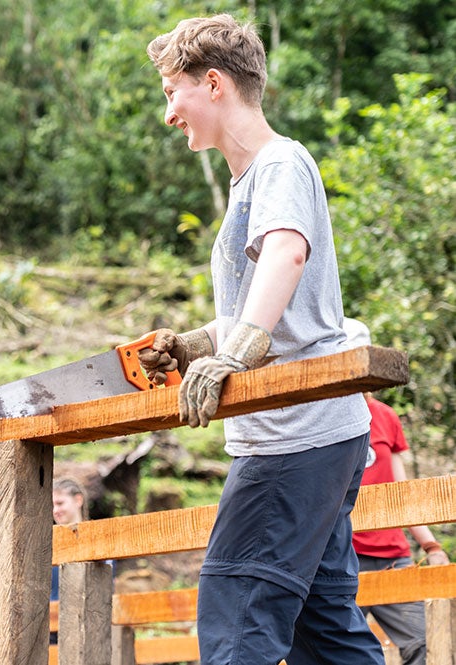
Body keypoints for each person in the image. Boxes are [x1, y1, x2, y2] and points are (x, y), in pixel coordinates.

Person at [137, 15, 383, 664]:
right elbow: (268, 307)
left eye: (171, 92)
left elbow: (285, 257)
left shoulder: (279, 161)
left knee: (236, 614)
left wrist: (231, 355)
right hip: (322, 436)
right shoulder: (253, 180)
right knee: (326, 636)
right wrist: (195, 343)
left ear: (213, 83)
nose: (169, 114)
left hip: (292, 440)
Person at [343, 318, 449, 665]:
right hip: (342, 558)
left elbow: (400, 491)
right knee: (338, 652)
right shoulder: (315, 419)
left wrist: (430, 544)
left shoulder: (386, 417)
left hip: (392, 557)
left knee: (426, 644)